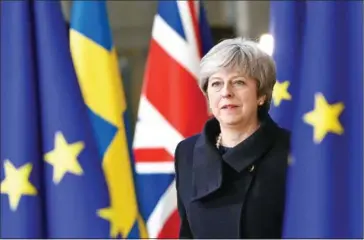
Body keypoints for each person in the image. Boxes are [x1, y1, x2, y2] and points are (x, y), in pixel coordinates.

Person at [174, 38, 290, 239]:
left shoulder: (291, 151)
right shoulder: (187, 152)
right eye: (216, 83)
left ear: (261, 94)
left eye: (238, 82)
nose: (226, 92)